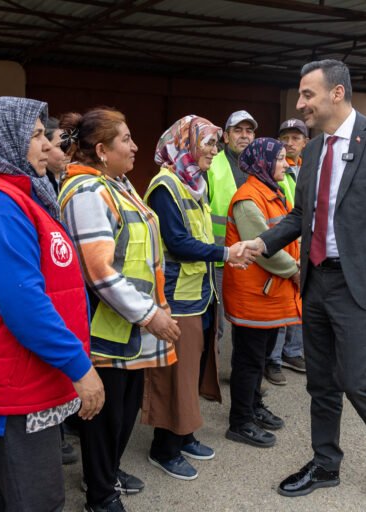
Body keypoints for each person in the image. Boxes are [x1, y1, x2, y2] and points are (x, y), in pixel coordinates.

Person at [244, 59, 366, 498]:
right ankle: (326, 464)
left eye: (308, 94)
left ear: (336, 93)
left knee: (356, 375)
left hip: (363, 284)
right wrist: (262, 243)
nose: (301, 103)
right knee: (320, 381)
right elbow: (302, 215)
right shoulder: (316, 150)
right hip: (318, 280)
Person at [0, 96, 105, 512]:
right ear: (2, 142)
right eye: (33, 136)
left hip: (23, 376)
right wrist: (79, 367)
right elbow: (22, 304)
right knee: (37, 500)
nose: (46, 145)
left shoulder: (15, 195)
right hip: (12, 384)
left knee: (16, 497)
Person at [58, 107, 180, 512]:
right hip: (106, 327)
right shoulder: (89, 193)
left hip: (125, 325)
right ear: (101, 149)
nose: (135, 146)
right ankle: (100, 493)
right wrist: (150, 314)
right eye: (126, 140)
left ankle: (105, 473)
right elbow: (98, 270)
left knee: (123, 412)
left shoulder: (115, 184)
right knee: (106, 417)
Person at [142, 115, 256, 481]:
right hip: (178, 298)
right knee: (175, 374)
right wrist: (226, 255)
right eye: (208, 143)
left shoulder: (195, 182)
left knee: (192, 371)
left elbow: (202, 235)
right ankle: (164, 448)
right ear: (186, 143)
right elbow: (177, 242)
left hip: (200, 296)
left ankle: (184, 433)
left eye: (215, 144)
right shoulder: (166, 186)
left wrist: (225, 257)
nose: (215, 150)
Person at [224, 137, 294, 448]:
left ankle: (252, 406)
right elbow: (264, 249)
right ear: (264, 163)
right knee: (249, 360)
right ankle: (240, 421)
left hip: (270, 293)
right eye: (280, 159)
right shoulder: (248, 198)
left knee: (260, 356)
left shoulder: (271, 193)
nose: (286, 164)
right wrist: (297, 270)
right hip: (254, 294)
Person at [265, 118, 311, 385]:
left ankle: (292, 352)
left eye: (296, 138)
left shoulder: (309, 168)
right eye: (285, 137)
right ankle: (272, 359)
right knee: (281, 302)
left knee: (300, 300)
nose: (290, 143)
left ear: (305, 143)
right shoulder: (273, 170)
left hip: (305, 244)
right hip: (282, 242)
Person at [206, 111, 257, 342]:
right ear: (225, 137)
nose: (244, 136)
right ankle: (212, 375)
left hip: (251, 256)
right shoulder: (211, 164)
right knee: (216, 324)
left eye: (249, 131)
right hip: (219, 257)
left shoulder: (260, 166)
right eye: (238, 130)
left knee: (247, 317)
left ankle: (242, 374)